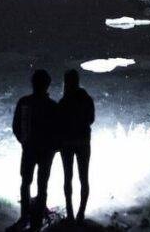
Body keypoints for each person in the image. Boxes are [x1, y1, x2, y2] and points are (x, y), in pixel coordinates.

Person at [11, 69, 59, 230]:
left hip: (30, 148)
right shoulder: (53, 106)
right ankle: (37, 222)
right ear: (47, 85)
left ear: (33, 83)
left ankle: (25, 217)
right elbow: (59, 130)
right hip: (46, 150)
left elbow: (16, 126)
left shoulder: (24, 102)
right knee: (42, 184)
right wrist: (55, 148)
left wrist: (23, 141)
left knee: (26, 182)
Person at [58, 69, 95, 223]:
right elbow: (91, 119)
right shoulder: (87, 99)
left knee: (68, 177)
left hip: (66, 143)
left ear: (66, 82)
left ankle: (70, 213)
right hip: (83, 142)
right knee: (84, 178)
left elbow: (57, 123)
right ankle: (81, 212)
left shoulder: (63, 101)